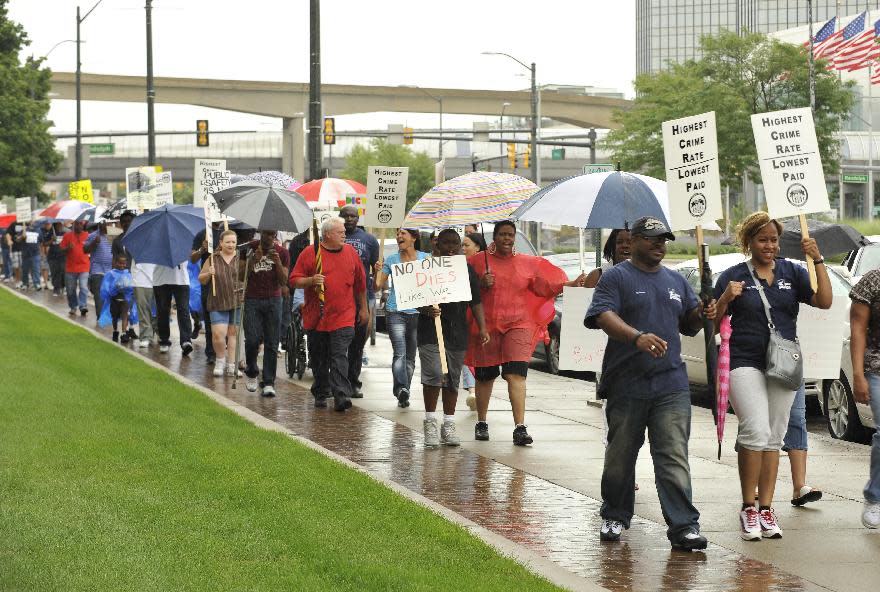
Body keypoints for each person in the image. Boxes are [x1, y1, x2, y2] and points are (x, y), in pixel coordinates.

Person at [585, 216, 713, 551]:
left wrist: (704, 310)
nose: (660, 244)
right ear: (636, 240)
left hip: (671, 384)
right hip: (627, 384)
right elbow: (602, 316)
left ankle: (684, 527)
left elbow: (690, 325)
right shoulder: (616, 277)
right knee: (621, 457)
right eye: (653, 238)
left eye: (664, 239)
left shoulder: (675, 280)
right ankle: (615, 513)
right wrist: (636, 337)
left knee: (672, 456)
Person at [714, 211, 831, 541]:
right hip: (744, 359)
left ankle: (766, 508)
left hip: (782, 361)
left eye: (774, 240)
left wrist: (816, 258)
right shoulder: (733, 275)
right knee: (755, 428)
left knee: (774, 436)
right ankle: (748, 506)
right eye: (763, 239)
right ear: (749, 242)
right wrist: (726, 298)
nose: (769, 245)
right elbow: (712, 321)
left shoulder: (792, 271)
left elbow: (824, 301)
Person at [466, 220, 586, 445]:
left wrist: (570, 283)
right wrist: (481, 283)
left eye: (510, 235)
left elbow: (546, 286)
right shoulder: (476, 262)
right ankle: (481, 422)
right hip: (486, 326)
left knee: (516, 374)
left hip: (519, 325)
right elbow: (463, 289)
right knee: (485, 376)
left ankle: (520, 427)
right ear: (494, 237)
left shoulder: (527, 263)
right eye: (502, 234)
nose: (507, 239)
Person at [418, 229, 489, 448]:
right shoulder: (425, 268)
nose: (450, 248)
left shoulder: (465, 270)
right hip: (431, 331)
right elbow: (412, 298)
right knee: (433, 376)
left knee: (452, 379)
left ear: (459, 246)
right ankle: (430, 421)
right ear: (437, 245)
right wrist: (425, 309)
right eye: (446, 243)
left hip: (457, 332)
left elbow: (475, 301)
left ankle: (448, 424)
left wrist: (483, 327)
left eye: (455, 244)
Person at [291, 218, 368, 411]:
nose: (344, 235)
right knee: (319, 358)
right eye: (340, 232)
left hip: (344, 315)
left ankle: (341, 394)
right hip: (317, 316)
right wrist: (311, 280)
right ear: (326, 235)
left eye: (344, 232)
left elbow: (360, 284)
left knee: (339, 354)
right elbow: (294, 280)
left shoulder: (351, 253)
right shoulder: (310, 253)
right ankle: (321, 390)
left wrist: (364, 308)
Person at [375, 228, 428, 407]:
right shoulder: (391, 260)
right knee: (400, 353)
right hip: (395, 311)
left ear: (414, 238)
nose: (399, 236)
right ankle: (401, 388)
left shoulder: (426, 258)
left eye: (403, 233)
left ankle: (404, 391)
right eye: (397, 234)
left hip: (418, 313)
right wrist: (376, 271)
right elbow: (376, 286)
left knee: (411, 357)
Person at [241, 229, 290, 397]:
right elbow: (241, 275)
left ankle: (269, 382)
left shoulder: (282, 252)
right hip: (252, 299)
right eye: (267, 234)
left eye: (273, 235)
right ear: (260, 233)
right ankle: (252, 371)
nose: (270, 238)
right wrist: (254, 258)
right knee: (252, 339)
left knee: (272, 341)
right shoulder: (249, 248)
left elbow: (284, 281)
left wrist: (276, 263)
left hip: (274, 300)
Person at [849, 266, 880, 529]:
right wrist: (858, 374)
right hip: (877, 367)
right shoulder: (873, 280)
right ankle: (874, 498)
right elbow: (858, 328)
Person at [339, 205, 379, 398]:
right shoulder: (334, 236)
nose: (349, 219)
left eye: (353, 216)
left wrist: (378, 274)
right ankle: (338, 381)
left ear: (358, 218)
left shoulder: (369, 240)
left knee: (358, 342)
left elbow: (374, 268)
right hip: (340, 296)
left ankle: (353, 381)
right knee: (339, 342)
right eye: (345, 216)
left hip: (363, 295)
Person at [198, 230, 243, 378]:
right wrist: (208, 273)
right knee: (218, 335)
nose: (231, 245)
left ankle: (232, 365)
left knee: (233, 334)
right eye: (228, 242)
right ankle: (220, 360)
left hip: (237, 300)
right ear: (221, 243)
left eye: (233, 242)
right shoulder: (213, 258)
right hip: (218, 300)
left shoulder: (241, 258)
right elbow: (201, 279)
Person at [783, 383, 822, 507]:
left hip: (792, 366)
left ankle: (799, 487)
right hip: (755, 365)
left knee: (796, 418)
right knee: (757, 420)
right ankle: (752, 481)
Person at [461, 232, 487, 410]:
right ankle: (472, 391)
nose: (462, 249)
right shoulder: (458, 265)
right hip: (463, 317)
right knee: (465, 354)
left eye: (466, 245)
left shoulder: (488, 265)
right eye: (461, 245)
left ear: (478, 246)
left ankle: (478, 389)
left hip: (482, 317)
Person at [191, 223, 223, 364]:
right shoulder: (202, 234)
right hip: (208, 281)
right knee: (210, 319)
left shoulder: (227, 232)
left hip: (224, 281)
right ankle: (211, 353)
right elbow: (192, 258)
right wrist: (202, 249)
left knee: (223, 320)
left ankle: (222, 349)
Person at [153, 262, 193, 356]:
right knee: (162, 311)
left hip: (181, 279)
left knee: (184, 310)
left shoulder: (182, 246)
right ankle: (164, 340)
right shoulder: (154, 246)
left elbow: (191, 256)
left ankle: (186, 341)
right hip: (160, 279)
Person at [98, 253, 137, 343]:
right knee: (114, 316)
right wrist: (115, 288)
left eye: (124, 263)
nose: (122, 265)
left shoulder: (128, 273)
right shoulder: (110, 274)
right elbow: (105, 287)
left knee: (125, 315)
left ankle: (123, 333)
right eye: (120, 263)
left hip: (125, 299)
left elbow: (131, 286)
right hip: (114, 299)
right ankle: (115, 330)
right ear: (115, 263)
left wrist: (128, 288)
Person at [60, 219, 91, 316]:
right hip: (70, 268)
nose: (78, 226)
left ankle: (83, 306)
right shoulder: (67, 236)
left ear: (83, 225)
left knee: (83, 287)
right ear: (73, 225)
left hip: (84, 266)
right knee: (70, 289)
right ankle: (73, 307)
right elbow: (61, 251)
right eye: (76, 224)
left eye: (80, 224)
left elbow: (91, 248)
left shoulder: (87, 235)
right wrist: (67, 248)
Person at [83, 221, 113, 315]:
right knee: (99, 296)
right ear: (99, 224)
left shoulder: (113, 234)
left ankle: (106, 316)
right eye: (103, 222)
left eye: (107, 222)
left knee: (108, 295)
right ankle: (101, 318)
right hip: (97, 270)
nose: (105, 224)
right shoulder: (92, 235)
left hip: (110, 270)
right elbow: (85, 250)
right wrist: (94, 243)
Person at [132, 259, 157, 348]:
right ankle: (145, 336)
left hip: (158, 277)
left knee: (159, 309)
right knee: (142, 308)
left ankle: (155, 330)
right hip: (140, 278)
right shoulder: (136, 244)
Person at [46, 222, 67, 296]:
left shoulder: (65, 233)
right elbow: (45, 244)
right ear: (55, 225)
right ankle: (56, 289)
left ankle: (63, 286)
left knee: (63, 272)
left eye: (61, 224)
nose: (60, 226)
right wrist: (51, 240)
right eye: (58, 225)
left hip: (63, 256)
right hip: (53, 257)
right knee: (55, 273)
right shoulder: (50, 233)